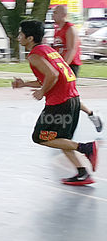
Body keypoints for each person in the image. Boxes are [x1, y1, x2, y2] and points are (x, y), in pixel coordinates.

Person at [12, 19, 97, 185]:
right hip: (73, 100)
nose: (18, 38)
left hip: (60, 103)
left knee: (40, 137)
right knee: (60, 138)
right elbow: (47, 77)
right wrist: (24, 84)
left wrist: (42, 92)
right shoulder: (47, 50)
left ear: (29, 38)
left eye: (20, 34)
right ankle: (82, 173)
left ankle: (86, 148)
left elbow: (52, 75)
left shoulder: (35, 55)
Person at [52, 5, 103, 132]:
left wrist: (63, 68)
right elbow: (56, 49)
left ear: (63, 15)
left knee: (68, 96)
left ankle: (67, 125)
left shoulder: (70, 29)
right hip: (61, 65)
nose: (52, 15)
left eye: (55, 13)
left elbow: (71, 50)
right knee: (65, 96)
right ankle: (91, 115)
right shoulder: (57, 29)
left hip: (71, 66)